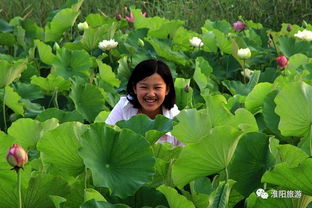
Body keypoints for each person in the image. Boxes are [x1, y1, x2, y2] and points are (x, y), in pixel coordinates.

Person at [105, 59, 182, 146]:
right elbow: (105, 139)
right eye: (144, 87)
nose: (151, 94)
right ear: (134, 88)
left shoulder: (177, 118)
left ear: (167, 89)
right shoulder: (123, 107)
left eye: (157, 88)